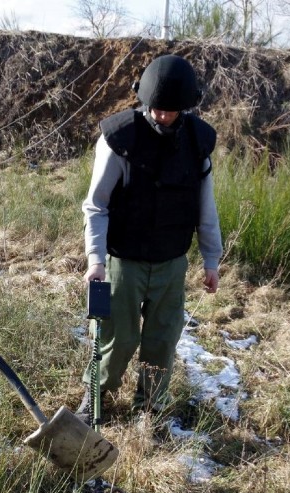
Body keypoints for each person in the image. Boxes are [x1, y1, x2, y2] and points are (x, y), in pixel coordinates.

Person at [78, 54, 222, 432]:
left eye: (171, 110)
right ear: (144, 100)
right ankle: (95, 397)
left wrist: (212, 259)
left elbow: (205, 206)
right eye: (157, 108)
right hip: (122, 260)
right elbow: (96, 204)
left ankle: (151, 408)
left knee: (162, 340)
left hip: (172, 262)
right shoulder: (118, 139)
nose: (163, 116)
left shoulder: (197, 141)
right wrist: (95, 259)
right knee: (117, 339)